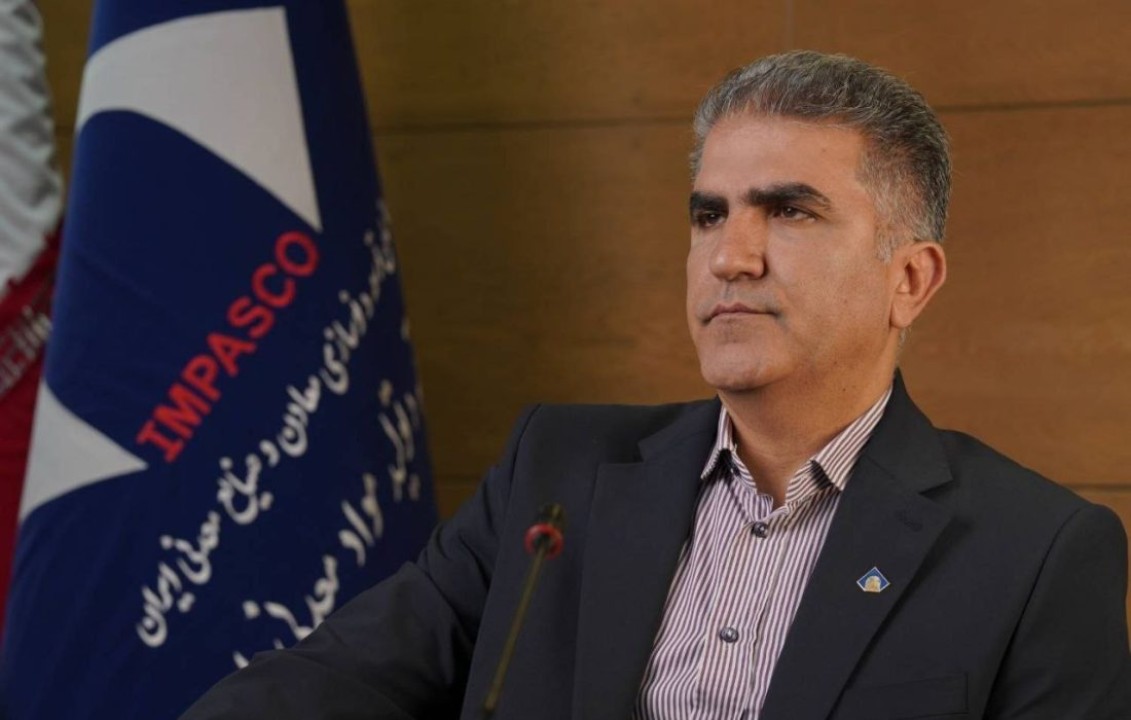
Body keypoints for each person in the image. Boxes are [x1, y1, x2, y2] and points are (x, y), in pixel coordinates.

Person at [182, 50, 1131, 719]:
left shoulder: (1035, 553)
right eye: (708, 215)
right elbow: (334, 681)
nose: (730, 257)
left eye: (789, 212)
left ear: (909, 280)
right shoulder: (555, 471)